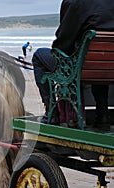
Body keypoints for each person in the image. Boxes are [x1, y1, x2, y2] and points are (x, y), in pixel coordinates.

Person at [32, 0, 114, 130]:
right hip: (108, 67)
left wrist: (57, 49)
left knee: (39, 55)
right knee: (99, 68)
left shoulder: (74, 2)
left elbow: (64, 40)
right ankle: (103, 116)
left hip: (79, 67)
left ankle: (51, 114)